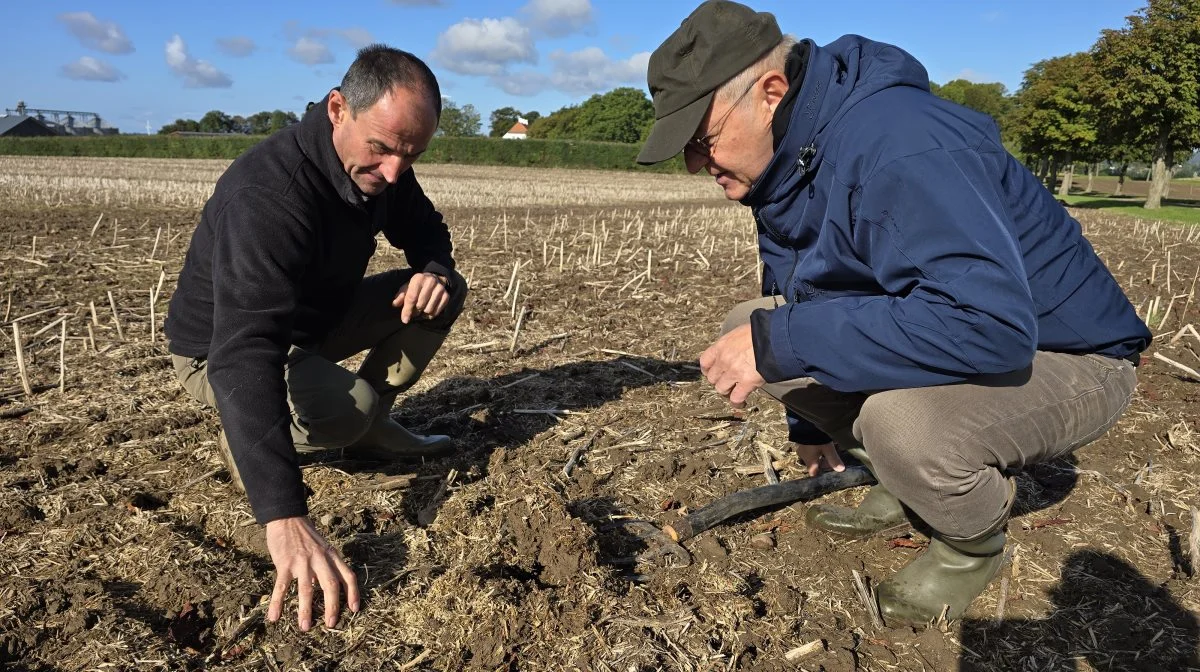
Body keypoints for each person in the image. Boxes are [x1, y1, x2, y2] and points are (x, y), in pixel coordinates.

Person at [637, 0, 1150, 625]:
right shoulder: (793, 156)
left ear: (770, 92)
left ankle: (970, 546)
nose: (695, 163)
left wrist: (789, 342)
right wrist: (810, 425)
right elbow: (801, 291)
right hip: (962, 330)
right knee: (751, 326)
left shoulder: (902, 143)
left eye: (701, 139)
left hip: (1069, 353)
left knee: (899, 423)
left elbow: (990, 325)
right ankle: (899, 481)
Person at [165, 45, 467, 632]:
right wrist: (283, 512)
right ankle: (256, 437)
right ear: (337, 109)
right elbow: (245, 352)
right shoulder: (268, 198)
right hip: (218, 351)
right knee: (341, 411)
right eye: (381, 149)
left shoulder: (387, 167)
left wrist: (433, 268)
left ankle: (373, 426)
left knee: (443, 291)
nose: (394, 174)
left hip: (313, 323)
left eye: (412, 155)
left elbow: (426, 229)